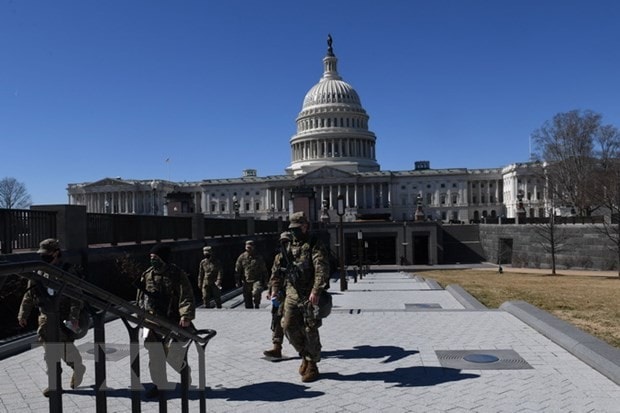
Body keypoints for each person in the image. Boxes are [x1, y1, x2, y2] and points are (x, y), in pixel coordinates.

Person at [17, 238, 87, 397]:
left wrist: (73, 317)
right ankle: (54, 385)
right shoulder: (39, 270)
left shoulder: (67, 270)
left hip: (63, 317)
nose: (43, 257)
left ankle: (78, 367)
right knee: (49, 352)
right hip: (45, 317)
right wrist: (23, 314)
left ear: (56, 253)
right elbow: (29, 294)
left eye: (47, 254)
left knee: (64, 348)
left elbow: (77, 296)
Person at [137, 244, 196, 398]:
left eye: (155, 258)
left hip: (172, 321)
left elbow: (186, 295)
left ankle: (185, 377)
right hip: (152, 322)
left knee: (173, 356)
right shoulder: (147, 275)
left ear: (163, 258)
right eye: (151, 258)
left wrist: (185, 316)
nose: (152, 261)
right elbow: (140, 298)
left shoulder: (176, 274)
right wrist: (140, 316)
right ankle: (159, 384)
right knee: (155, 356)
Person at [278, 212, 329, 382]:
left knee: (310, 329)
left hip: (308, 294)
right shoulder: (287, 245)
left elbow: (321, 268)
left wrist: (316, 290)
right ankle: (304, 355)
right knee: (287, 326)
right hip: (292, 293)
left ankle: (312, 364)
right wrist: (273, 287)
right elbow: (278, 267)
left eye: (297, 228)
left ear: (305, 226)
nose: (294, 232)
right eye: (291, 229)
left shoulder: (314, 243)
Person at [263, 231, 291, 358]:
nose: (285, 245)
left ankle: (306, 349)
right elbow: (274, 276)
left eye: (287, 242)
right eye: (283, 242)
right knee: (277, 317)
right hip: (281, 293)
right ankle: (277, 347)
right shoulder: (279, 258)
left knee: (299, 321)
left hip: (296, 293)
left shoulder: (298, 256)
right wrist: (272, 291)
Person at [234, 240, 268, 309]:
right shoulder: (242, 257)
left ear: (253, 247)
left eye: (250, 247)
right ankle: (250, 311)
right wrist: (237, 281)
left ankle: (257, 305)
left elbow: (264, 270)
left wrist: (266, 281)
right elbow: (238, 270)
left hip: (256, 280)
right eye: (247, 247)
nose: (248, 249)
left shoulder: (258, 257)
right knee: (247, 299)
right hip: (246, 281)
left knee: (256, 292)